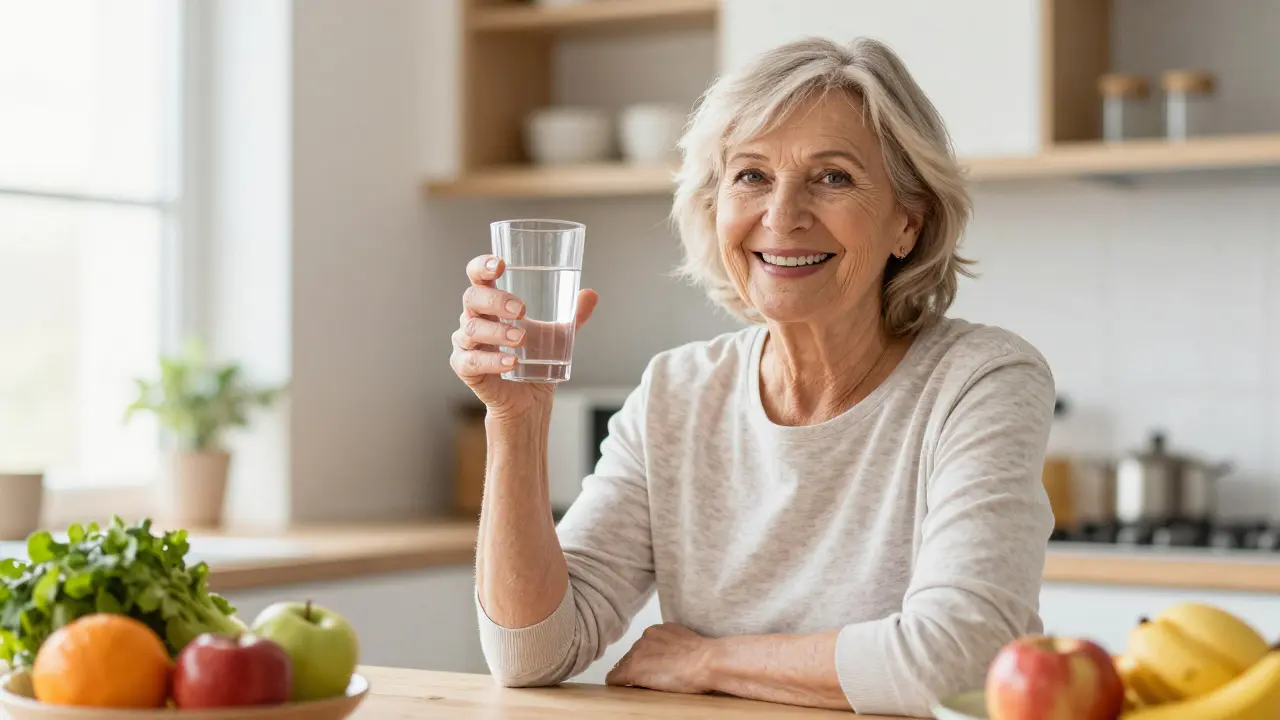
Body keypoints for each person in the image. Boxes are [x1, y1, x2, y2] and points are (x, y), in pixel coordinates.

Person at [449, 36, 1055, 717]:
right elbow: (533, 654)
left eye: (832, 177)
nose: (782, 215)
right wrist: (516, 421)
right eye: (752, 176)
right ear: (715, 208)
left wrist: (709, 659)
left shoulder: (982, 379)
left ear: (906, 223)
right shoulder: (677, 392)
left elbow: (960, 659)